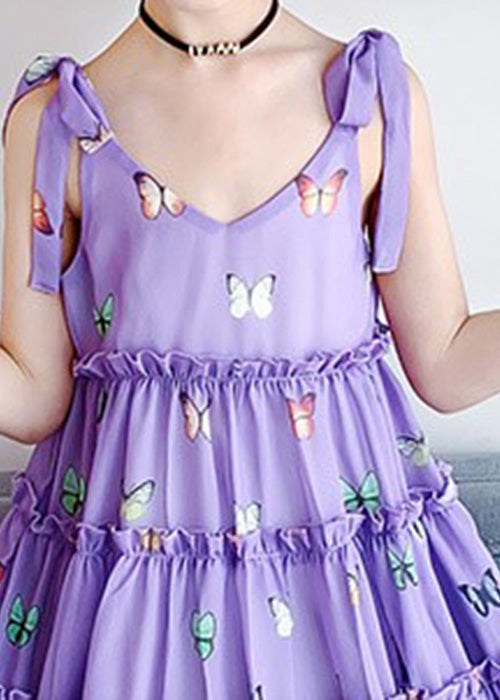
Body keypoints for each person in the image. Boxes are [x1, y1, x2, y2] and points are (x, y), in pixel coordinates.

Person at [0, 0, 499, 697]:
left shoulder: (372, 98)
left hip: (341, 583)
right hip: (134, 593)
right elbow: (33, 394)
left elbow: (443, 358)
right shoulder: (57, 120)